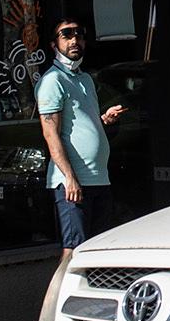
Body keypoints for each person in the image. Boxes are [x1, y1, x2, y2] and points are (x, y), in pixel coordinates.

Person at [37, 17, 123, 257]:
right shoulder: (52, 81)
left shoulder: (85, 79)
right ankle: (58, 296)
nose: (74, 40)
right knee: (73, 251)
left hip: (99, 179)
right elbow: (50, 133)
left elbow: (83, 126)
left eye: (79, 35)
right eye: (66, 35)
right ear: (54, 45)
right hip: (73, 183)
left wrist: (104, 120)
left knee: (96, 251)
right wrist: (70, 178)